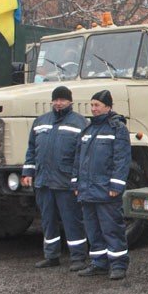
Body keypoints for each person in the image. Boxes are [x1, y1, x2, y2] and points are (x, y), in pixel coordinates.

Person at [22, 85, 89, 271]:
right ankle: (51, 255)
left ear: (70, 102)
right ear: (52, 101)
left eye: (63, 100)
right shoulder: (41, 121)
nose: (59, 103)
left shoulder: (80, 123)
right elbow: (31, 149)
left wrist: (78, 179)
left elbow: (83, 156)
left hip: (66, 182)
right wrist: (28, 172)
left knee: (72, 221)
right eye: (56, 100)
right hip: (44, 181)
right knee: (47, 220)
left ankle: (78, 258)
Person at [74, 90, 131, 280]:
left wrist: (116, 185)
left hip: (106, 190)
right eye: (92, 105)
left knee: (112, 228)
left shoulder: (117, 128)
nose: (93, 109)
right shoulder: (88, 129)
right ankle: (98, 263)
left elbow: (121, 159)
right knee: (93, 229)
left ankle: (118, 265)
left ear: (108, 106)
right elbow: (78, 159)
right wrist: (76, 183)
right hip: (88, 190)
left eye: (97, 105)